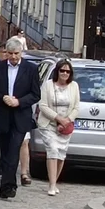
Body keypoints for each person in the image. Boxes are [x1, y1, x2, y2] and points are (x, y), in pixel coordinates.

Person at [0, 37, 41, 200]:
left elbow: (36, 94)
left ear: (21, 52)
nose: (13, 57)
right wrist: (2, 98)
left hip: (21, 116)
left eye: (16, 53)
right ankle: (7, 184)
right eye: (10, 54)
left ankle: (8, 185)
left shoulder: (30, 69)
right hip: (2, 114)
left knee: (15, 149)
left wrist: (19, 101)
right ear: (5, 53)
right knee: (5, 150)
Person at [37, 60, 80, 196]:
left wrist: (67, 121)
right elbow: (42, 105)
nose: (65, 73)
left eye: (68, 71)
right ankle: (52, 185)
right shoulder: (48, 85)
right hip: (49, 124)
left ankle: (55, 181)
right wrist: (57, 118)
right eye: (62, 70)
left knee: (61, 154)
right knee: (53, 150)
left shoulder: (74, 86)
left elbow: (76, 107)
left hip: (65, 126)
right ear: (57, 71)